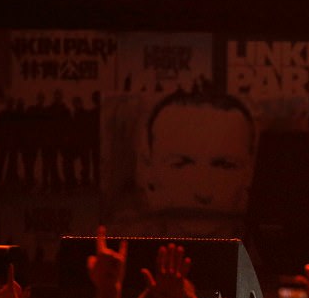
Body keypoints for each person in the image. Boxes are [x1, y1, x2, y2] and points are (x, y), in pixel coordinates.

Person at [110, 87, 257, 237]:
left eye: (224, 165)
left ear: (250, 173)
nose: (203, 193)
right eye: (180, 165)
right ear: (147, 170)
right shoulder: (127, 248)